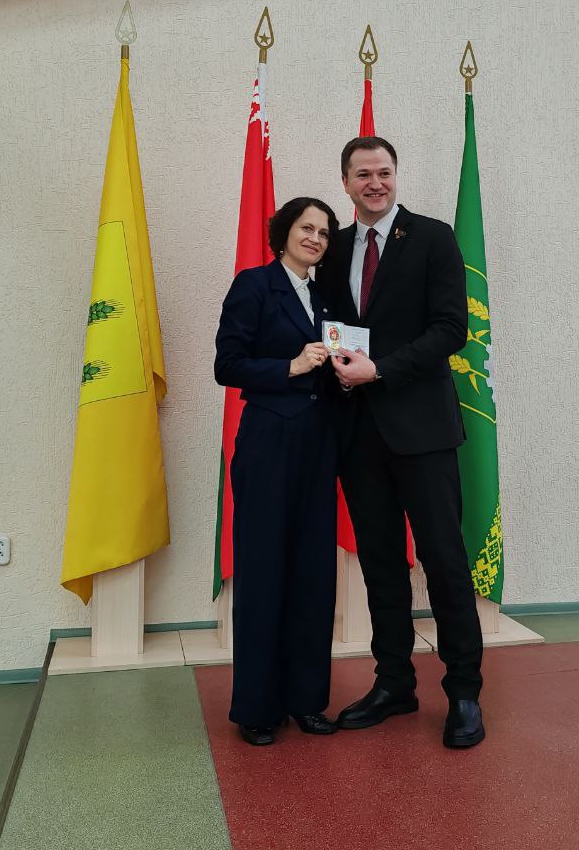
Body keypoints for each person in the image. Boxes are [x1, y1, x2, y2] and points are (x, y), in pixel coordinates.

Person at [319, 135, 486, 749]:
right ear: (345, 182)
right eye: (363, 174)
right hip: (359, 434)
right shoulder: (335, 248)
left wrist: (381, 370)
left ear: (396, 177)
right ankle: (394, 683)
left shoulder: (434, 238)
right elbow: (331, 327)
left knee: (444, 561)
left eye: (384, 172)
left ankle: (464, 692)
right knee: (380, 564)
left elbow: (451, 329)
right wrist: (340, 366)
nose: (375, 183)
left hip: (423, 432)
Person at [213, 197, 340, 746]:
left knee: (314, 573)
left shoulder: (328, 295)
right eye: (306, 228)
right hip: (268, 441)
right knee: (264, 572)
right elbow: (227, 365)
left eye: (324, 233)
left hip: (319, 444)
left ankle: (307, 701)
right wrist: (290, 366)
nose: (315, 238)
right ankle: (258, 708)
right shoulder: (254, 285)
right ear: (284, 231)